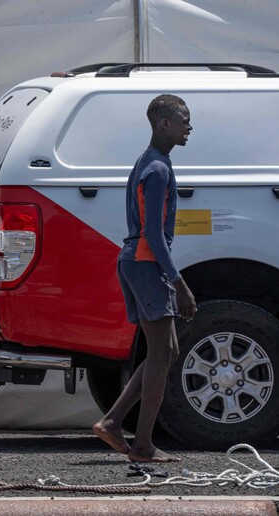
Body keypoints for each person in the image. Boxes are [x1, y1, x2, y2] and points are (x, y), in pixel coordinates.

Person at [93, 94, 197, 463]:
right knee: (160, 354)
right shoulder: (158, 169)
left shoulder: (151, 162)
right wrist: (179, 282)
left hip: (138, 262)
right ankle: (141, 444)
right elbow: (153, 234)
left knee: (166, 351)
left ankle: (113, 423)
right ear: (163, 123)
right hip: (145, 263)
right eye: (183, 119)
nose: (190, 126)